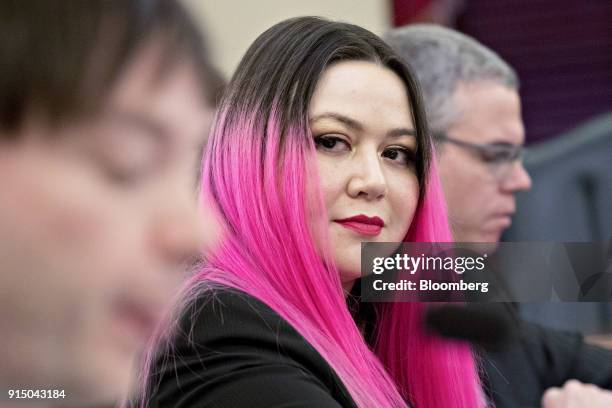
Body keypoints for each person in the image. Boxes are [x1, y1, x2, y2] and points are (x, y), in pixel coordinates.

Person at [141, 16, 483, 408]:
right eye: (332, 142)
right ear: (253, 155)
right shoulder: (219, 328)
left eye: (396, 154)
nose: (374, 181)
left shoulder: (387, 314)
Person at [0, 1, 221, 406]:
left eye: (383, 151)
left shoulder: (373, 282)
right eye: (128, 160)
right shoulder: (232, 321)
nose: (196, 233)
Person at [385, 24, 612, 408]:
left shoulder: (461, 286)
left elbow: (565, 354)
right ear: (408, 150)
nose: (522, 181)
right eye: (495, 155)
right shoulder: (349, 318)